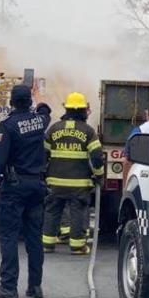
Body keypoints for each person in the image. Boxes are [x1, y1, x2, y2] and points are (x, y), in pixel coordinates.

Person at [0, 85, 50, 298]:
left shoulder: (7, 126)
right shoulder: (41, 121)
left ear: (11, 102)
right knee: (34, 237)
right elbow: (46, 110)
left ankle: (8, 287)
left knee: (9, 236)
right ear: (29, 101)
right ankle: (35, 286)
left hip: (15, 187)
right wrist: (38, 103)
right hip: (37, 186)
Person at [42, 92, 104, 255]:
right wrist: (99, 175)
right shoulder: (88, 131)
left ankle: (47, 245)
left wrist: (44, 173)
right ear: (83, 110)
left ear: (66, 109)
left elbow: (43, 153)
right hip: (79, 183)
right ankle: (77, 247)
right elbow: (97, 156)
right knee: (78, 211)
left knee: (52, 211)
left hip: (54, 182)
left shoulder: (54, 128)